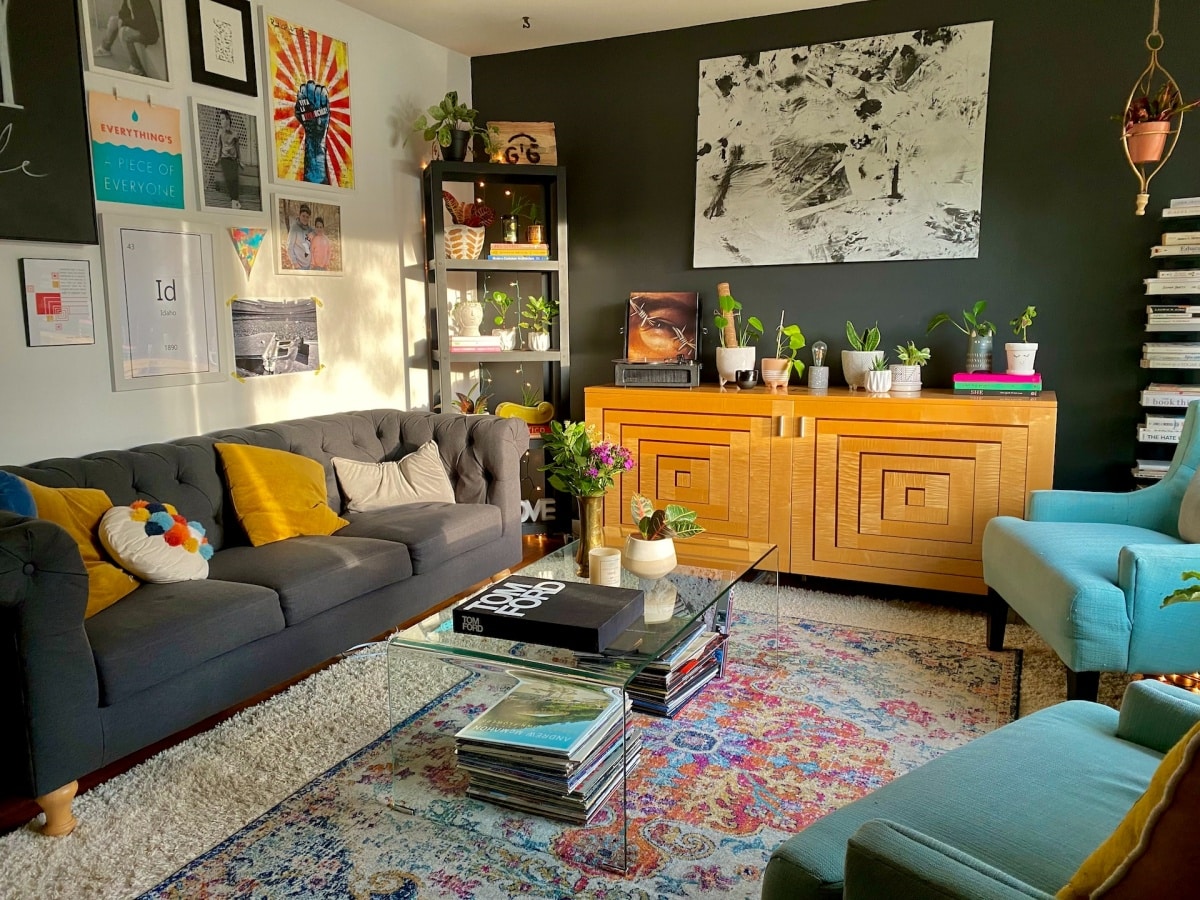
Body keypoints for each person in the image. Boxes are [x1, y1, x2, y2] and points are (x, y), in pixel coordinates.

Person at [95, 0, 160, 78]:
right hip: (140, 27)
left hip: (149, 34)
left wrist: (124, 22)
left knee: (125, 33)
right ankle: (105, 48)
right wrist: (121, 20)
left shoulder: (139, 2)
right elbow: (123, 13)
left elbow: (141, 23)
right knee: (113, 20)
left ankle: (136, 67)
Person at [211, 111, 243, 209]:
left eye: (223, 119)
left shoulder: (235, 134)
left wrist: (239, 160)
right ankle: (234, 201)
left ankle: (236, 200)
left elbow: (237, 149)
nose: (222, 121)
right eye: (220, 119)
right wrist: (217, 158)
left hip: (233, 159)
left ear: (228, 120)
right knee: (229, 178)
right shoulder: (220, 132)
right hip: (225, 159)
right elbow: (219, 146)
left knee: (234, 179)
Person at [286, 203, 312, 270]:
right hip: (299, 266)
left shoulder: (310, 229)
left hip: (309, 265)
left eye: (307, 217)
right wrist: (295, 263)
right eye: (303, 216)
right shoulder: (294, 228)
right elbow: (289, 247)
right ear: (299, 215)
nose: (305, 218)